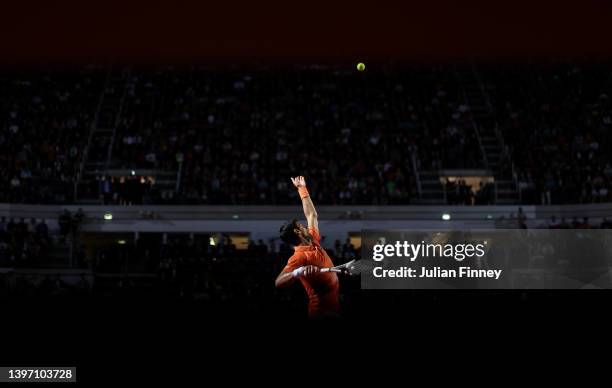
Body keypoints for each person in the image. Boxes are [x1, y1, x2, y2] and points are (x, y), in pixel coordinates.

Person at [275, 176, 340, 318]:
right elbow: (278, 282)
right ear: (298, 232)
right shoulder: (298, 258)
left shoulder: (313, 239)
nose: (304, 225)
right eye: (300, 225)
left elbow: (312, 215)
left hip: (334, 309)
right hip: (321, 313)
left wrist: (301, 188)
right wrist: (297, 272)